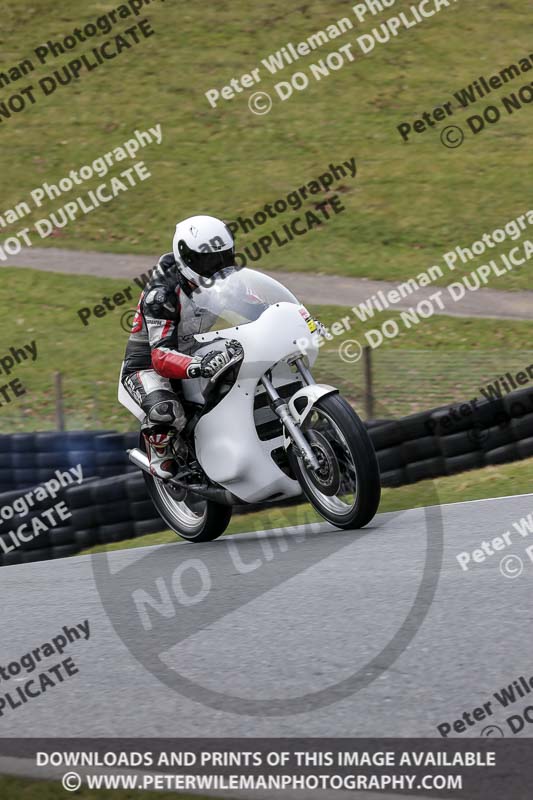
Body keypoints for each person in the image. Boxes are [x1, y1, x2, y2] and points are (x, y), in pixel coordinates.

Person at [120, 215, 238, 479]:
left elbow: (257, 304)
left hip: (194, 348)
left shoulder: (223, 283)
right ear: (187, 257)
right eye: (209, 262)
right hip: (148, 365)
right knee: (166, 411)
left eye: (224, 259)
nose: (218, 268)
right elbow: (160, 356)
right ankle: (160, 450)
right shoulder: (161, 294)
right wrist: (198, 365)